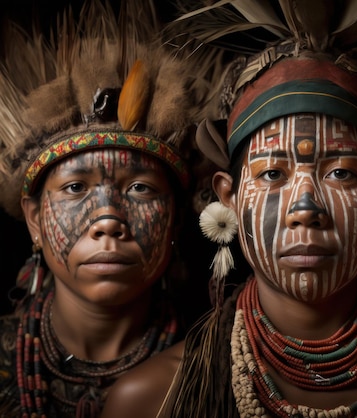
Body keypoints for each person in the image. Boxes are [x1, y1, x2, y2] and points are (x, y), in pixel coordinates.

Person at [99, 1, 357, 418]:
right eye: (271, 174)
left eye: (341, 173)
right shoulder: (151, 401)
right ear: (229, 196)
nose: (305, 207)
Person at [0, 0, 212, 416]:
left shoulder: (217, 374)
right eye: (76, 187)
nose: (109, 221)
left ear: (177, 217)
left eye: (139, 188)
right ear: (34, 219)